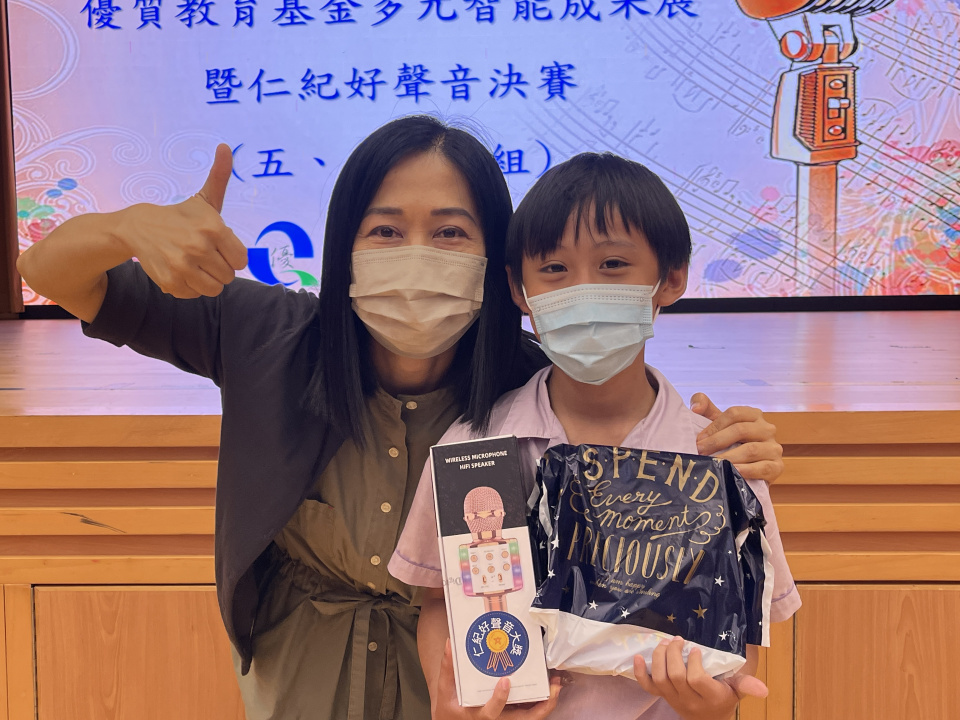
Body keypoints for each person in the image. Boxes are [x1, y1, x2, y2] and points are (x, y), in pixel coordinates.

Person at [17, 116, 786, 720]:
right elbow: (48, 272)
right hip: (305, 676)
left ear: (497, 266)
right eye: (385, 230)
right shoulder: (265, 334)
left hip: (475, 683)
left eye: (450, 232)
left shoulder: (527, 381)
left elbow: (632, 435)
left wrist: (727, 447)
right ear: (344, 244)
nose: (417, 254)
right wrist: (125, 228)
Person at [389, 152, 802, 720]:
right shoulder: (472, 450)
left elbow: (742, 627)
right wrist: (459, 698)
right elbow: (440, 600)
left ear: (671, 278)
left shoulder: (720, 457)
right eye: (555, 269)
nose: (582, 291)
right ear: (518, 289)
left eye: (612, 265)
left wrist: (712, 704)